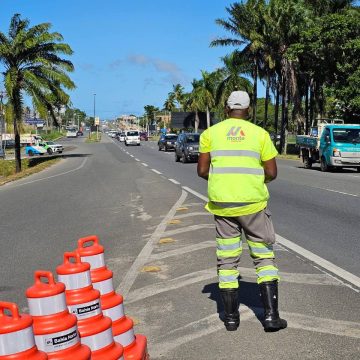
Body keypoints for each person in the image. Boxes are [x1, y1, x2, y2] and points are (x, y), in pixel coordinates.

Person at [197, 90, 287, 332]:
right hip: (253, 204)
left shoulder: (210, 134)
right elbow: (272, 172)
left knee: (227, 259)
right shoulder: (260, 134)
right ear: (249, 111)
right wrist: (255, 181)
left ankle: (230, 318)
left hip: (223, 205)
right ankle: (271, 317)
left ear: (226, 110)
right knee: (263, 258)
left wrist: (224, 181)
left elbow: (202, 170)